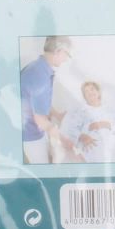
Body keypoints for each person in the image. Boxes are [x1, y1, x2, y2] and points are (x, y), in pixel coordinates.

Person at [20, 35, 72, 163]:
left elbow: (39, 102)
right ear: (58, 51)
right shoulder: (39, 76)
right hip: (31, 134)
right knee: (43, 166)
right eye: (67, 55)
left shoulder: (39, 67)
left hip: (36, 128)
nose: (66, 59)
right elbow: (40, 120)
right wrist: (63, 140)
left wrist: (57, 115)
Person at [60, 81, 115, 162]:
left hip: (111, 146)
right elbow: (71, 129)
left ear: (98, 92)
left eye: (92, 89)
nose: (90, 92)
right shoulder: (81, 111)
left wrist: (107, 124)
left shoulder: (110, 109)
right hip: (91, 145)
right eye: (86, 91)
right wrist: (82, 136)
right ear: (85, 97)